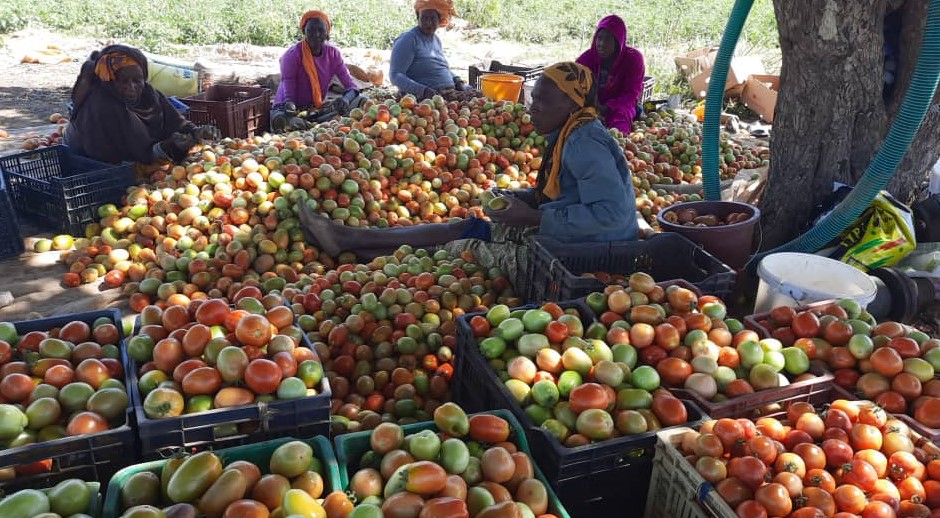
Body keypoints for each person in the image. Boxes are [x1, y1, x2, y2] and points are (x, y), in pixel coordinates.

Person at [298, 62, 639, 281]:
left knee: (461, 249)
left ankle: (351, 246)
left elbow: (610, 216)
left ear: (570, 104)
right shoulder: (569, 132)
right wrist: (518, 200)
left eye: (541, 102)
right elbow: (565, 196)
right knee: (469, 226)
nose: (531, 108)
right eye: (533, 99)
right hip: (566, 235)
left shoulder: (583, 143)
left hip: (581, 253)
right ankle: (350, 239)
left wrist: (533, 217)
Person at [65, 45, 216, 166]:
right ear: (109, 81)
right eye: (123, 81)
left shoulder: (148, 93)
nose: (131, 87)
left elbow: (176, 122)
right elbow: (116, 156)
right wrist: (165, 147)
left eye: (137, 80)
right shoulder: (101, 105)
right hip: (88, 160)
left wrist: (197, 132)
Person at [272, 10, 364, 131]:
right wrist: (291, 107)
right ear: (304, 32)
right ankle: (314, 124)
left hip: (315, 107)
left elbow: (351, 86)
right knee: (285, 121)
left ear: (327, 33)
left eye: (321, 30)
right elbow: (289, 94)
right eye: (310, 30)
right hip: (288, 108)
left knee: (362, 101)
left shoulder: (333, 54)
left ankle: (316, 123)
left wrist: (345, 99)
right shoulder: (292, 56)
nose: (316, 34)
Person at [390, 0, 476, 101]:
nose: (428, 22)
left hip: (448, 92)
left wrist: (458, 81)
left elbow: (441, 67)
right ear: (418, 18)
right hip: (428, 98)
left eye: (433, 18)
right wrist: (424, 91)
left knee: (484, 96)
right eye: (424, 18)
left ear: (439, 20)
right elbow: (395, 75)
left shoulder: (436, 40)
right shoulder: (409, 39)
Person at [576, 14, 646, 133]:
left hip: (619, 106)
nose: (602, 44)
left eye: (608, 39)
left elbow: (631, 94)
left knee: (621, 118)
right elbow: (573, 81)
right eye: (599, 38)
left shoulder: (633, 59)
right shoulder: (587, 58)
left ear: (618, 41)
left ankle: (617, 145)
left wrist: (608, 107)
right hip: (593, 105)